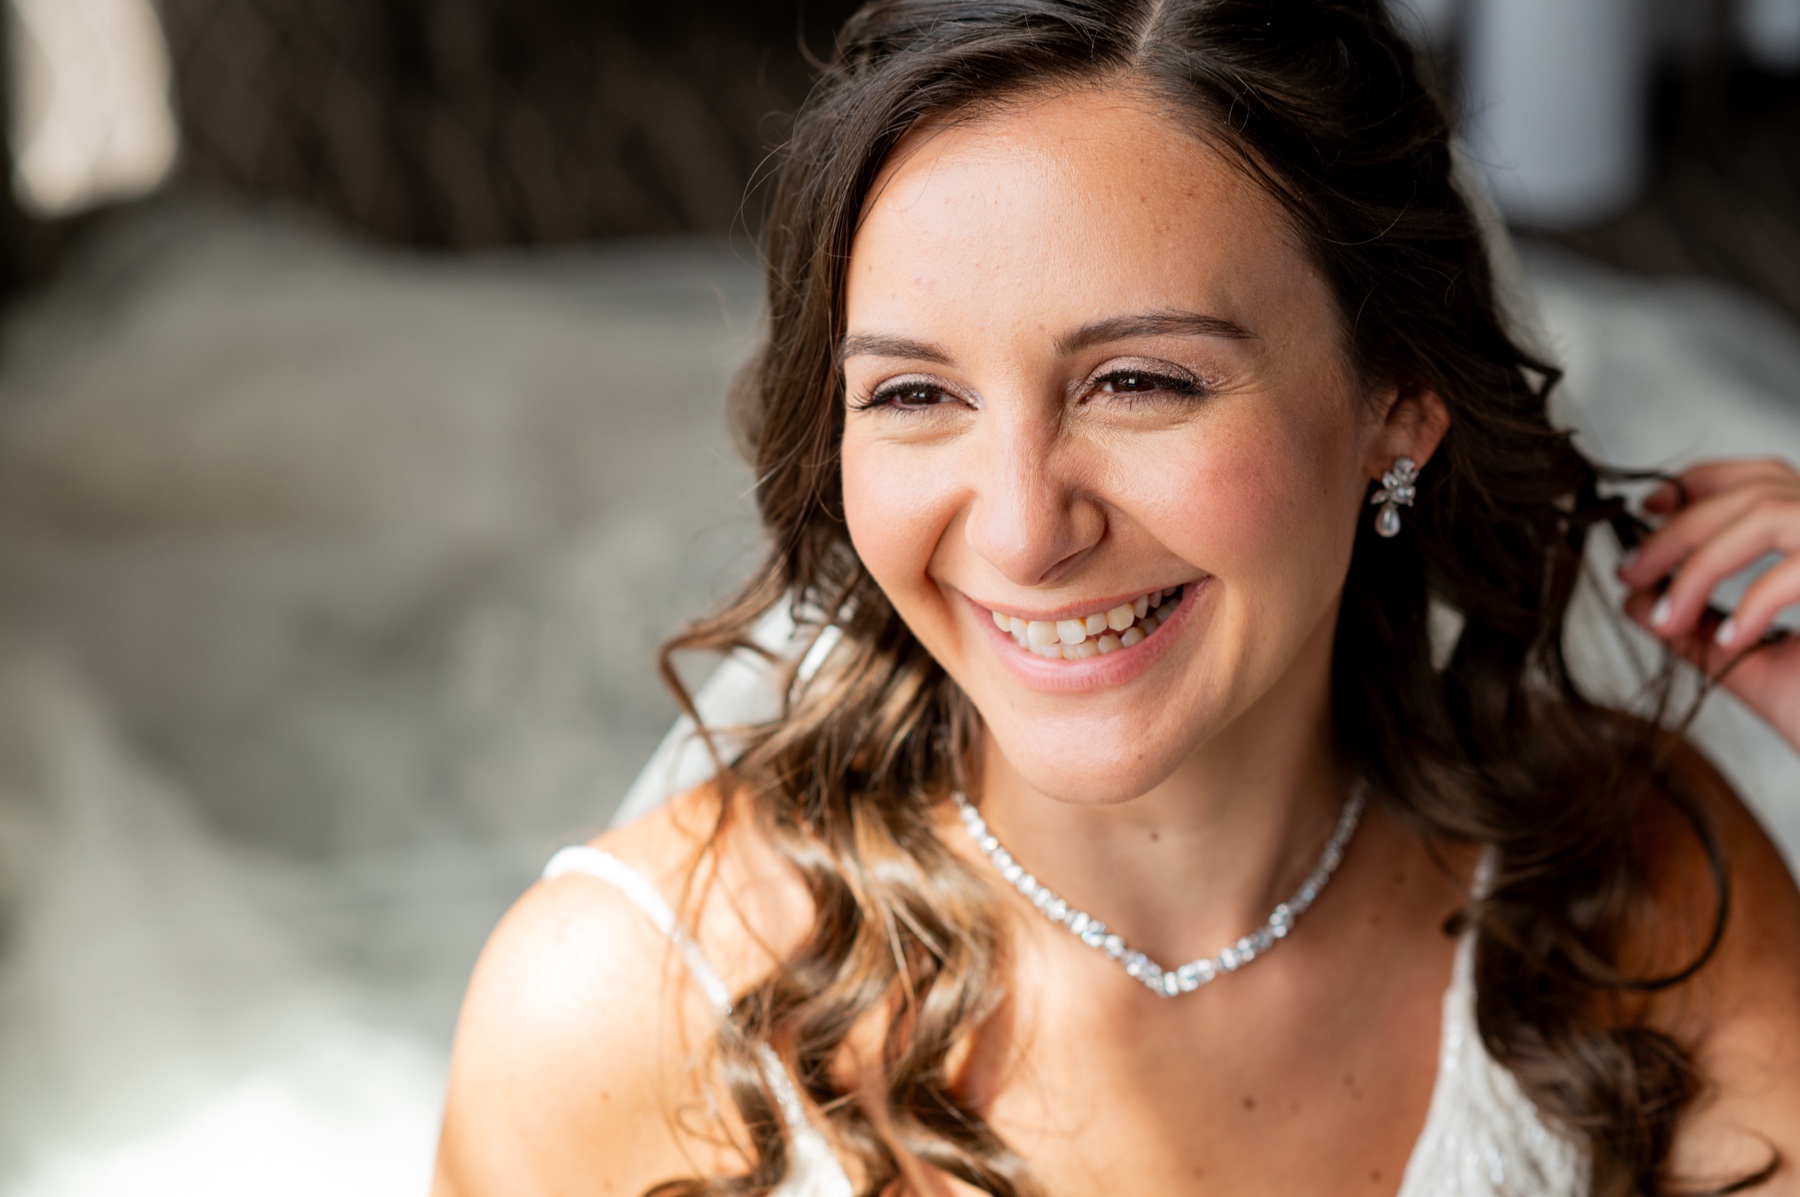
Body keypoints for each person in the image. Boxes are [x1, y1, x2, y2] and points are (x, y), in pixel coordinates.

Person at [431, 2, 1800, 1194]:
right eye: (916, 394)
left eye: (1140, 381)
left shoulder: (1637, 887)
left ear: (1398, 404)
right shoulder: (616, 1009)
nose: (1026, 530)